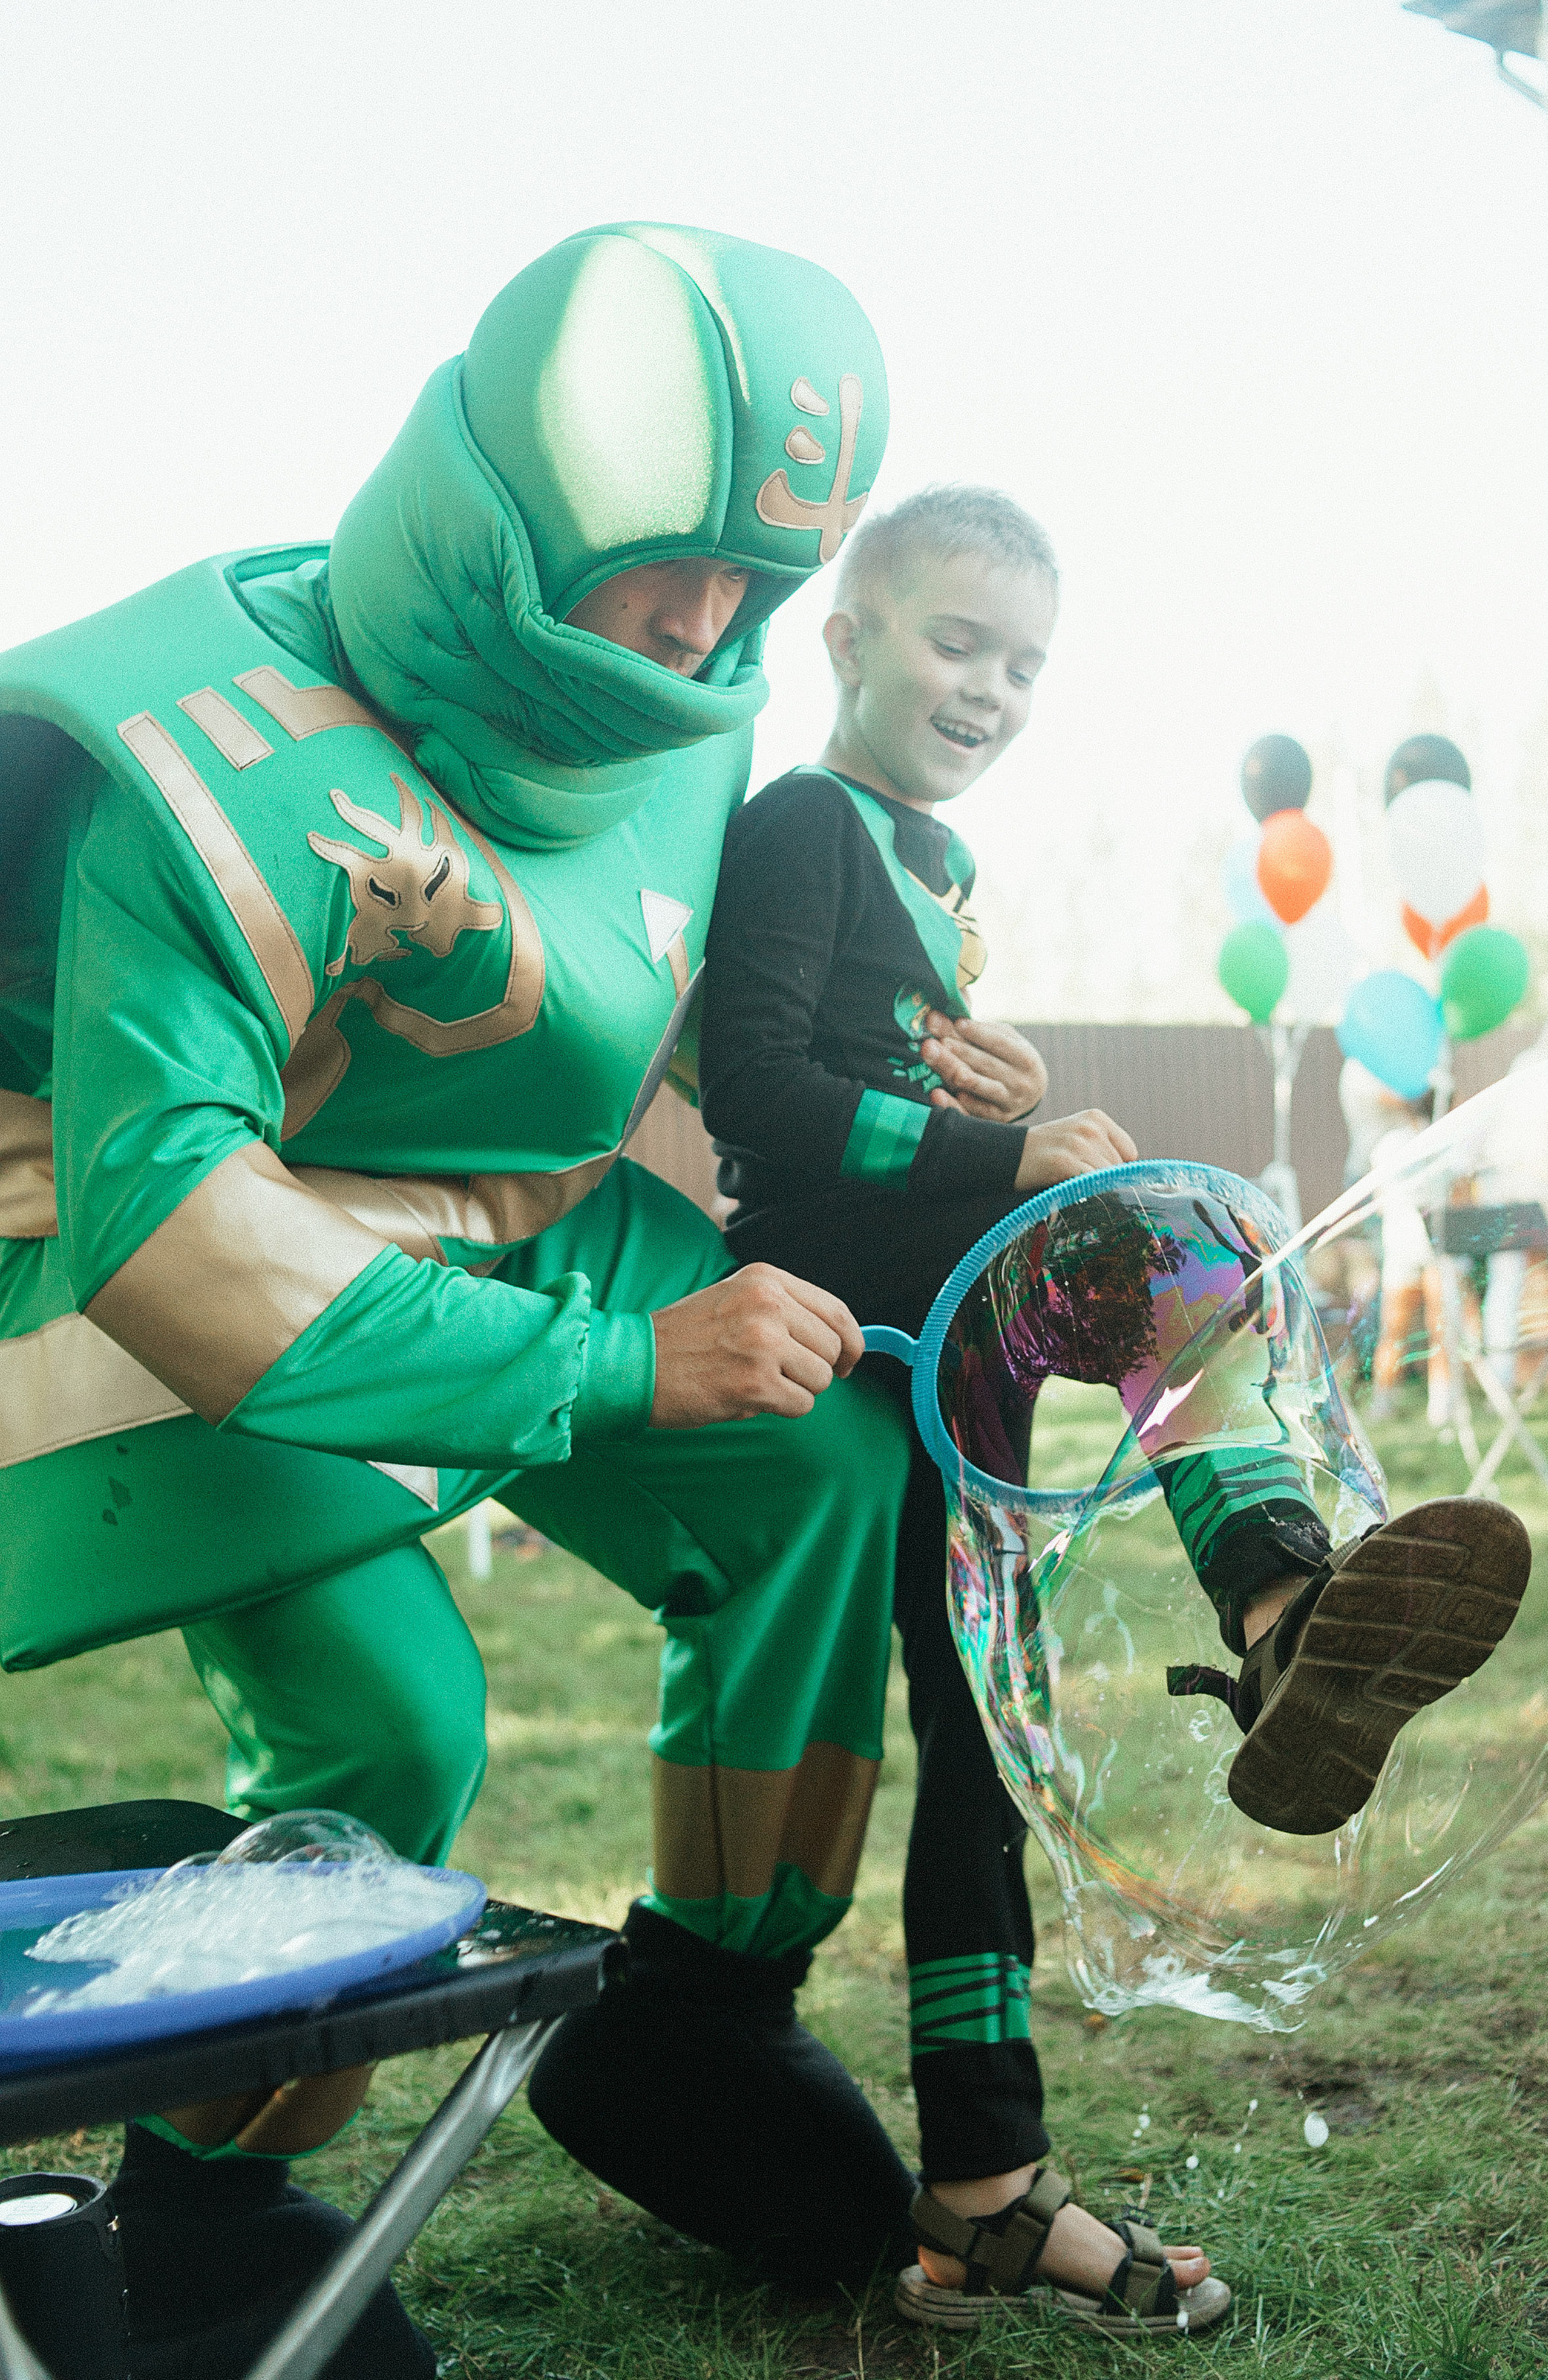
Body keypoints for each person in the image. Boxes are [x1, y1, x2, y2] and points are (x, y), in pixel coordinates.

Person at [0, 223, 922, 2371]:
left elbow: (653, 985)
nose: (699, 630)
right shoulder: (200, 756)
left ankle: (698, 2003)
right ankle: (214, 2199)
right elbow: (177, 1237)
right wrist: (618, 1359)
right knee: (390, 1724)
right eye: (659, 570)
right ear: (504, 507)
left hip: (505, 1207)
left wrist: (939, 1112)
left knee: (822, 1455)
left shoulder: (700, 706)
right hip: (169, 1274)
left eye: (745, 583)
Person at [698, 485, 1528, 2332]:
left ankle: (982, 2190)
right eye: (953, 641)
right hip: (866, 1314)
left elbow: (867, 1068)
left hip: (942, 1312)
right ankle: (1279, 1600)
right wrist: (1005, 1137)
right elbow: (757, 1088)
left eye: (1024, 664)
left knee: (982, 1737)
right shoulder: (802, 820)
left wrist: (994, 1088)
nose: (989, 688)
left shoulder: (929, 867)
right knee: (1166, 1238)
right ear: (846, 634)